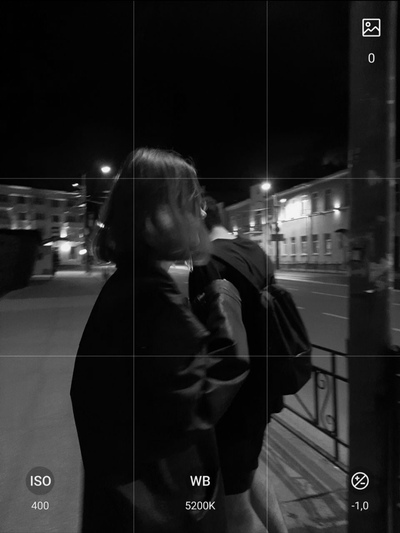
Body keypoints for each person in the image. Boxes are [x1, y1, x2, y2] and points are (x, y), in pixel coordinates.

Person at [71, 148, 250, 533]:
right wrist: (228, 308)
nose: (200, 212)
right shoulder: (151, 297)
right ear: (158, 214)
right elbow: (194, 407)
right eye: (190, 201)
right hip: (162, 506)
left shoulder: (127, 286)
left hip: (129, 501)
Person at [189, 197, 287, 533]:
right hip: (266, 382)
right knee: (249, 468)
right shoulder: (254, 249)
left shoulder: (207, 261)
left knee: (234, 501)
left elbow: (207, 335)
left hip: (234, 393)